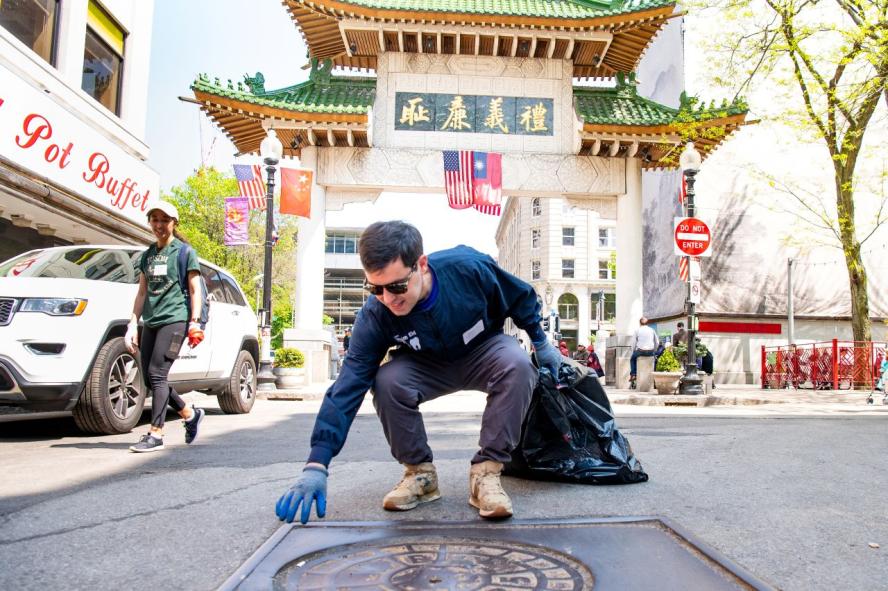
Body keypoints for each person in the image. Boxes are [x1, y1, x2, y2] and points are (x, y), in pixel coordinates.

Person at [275, 221, 562, 524]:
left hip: (483, 350)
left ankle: (486, 473)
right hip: (426, 364)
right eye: (375, 288)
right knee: (386, 380)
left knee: (516, 363)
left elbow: (519, 297)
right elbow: (349, 383)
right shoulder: (376, 313)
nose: (388, 298)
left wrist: (541, 343)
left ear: (421, 265)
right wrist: (317, 463)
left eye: (397, 286)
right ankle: (420, 475)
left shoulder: (468, 269)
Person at [125, 201, 205, 452]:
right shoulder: (147, 255)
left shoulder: (183, 252)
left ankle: (156, 433)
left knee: (158, 373)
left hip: (176, 319)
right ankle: (189, 413)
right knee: (150, 378)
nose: (159, 225)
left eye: (164, 220)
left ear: (174, 223)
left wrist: (194, 321)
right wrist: (132, 324)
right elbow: (141, 293)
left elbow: (195, 289)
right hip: (151, 320)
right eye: (155, 219)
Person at [629, 317, 658, 389]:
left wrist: (633, 351)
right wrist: (654, 350)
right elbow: (657, 342)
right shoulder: (652, 330)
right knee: (656, 361)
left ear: (640, 323)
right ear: (648, 323)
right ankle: (654, 376)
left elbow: (633, 343)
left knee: (632, 359)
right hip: (651, 351)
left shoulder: (637, 330)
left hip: (640, 351)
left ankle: (633, 374)